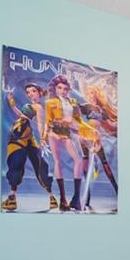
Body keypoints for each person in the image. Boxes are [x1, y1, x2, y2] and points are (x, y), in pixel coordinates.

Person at [1, 82, 57, 212]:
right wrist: (11, 102)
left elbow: (41, 124)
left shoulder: (39, 107)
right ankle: (12, 196)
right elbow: (22, 116)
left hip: (23, 134)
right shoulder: (30, 106)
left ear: (39, 92)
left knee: (38, 164)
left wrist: (43, 139)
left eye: (33, 91)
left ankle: (51, 197)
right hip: (19, 132)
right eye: (28, 92)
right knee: (17, 162)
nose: (30, 94)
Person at [44, 74, 85, 211]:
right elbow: (48, 122)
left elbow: (79, 120)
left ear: (68, 89)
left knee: (78, 160)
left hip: (68, 132)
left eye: (65, 89)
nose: (62, 91)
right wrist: (51, 134)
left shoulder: (73, 102)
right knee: (57, 161)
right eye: (60, 88)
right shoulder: (50, 103)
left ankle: (76, 198)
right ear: (55, 88)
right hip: (54, 132)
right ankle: (63, 199)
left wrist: (81, 130)